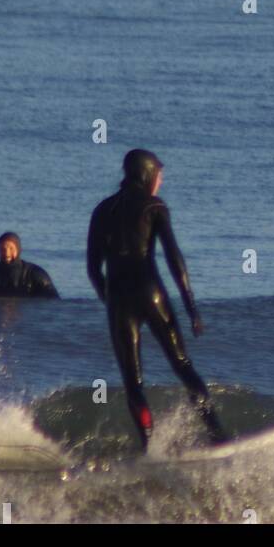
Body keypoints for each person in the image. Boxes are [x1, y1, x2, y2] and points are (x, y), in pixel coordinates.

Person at [86, 149, 227, 450]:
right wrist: (191, 306)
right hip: (150, 293)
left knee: (133, 383)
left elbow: (92, 267)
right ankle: (216, 435)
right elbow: (174, 258)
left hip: (119, 299)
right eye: (159, 175)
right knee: (183, 365)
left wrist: (108, 298)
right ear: (147, 173)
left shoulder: (102, 210)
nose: (161, 181)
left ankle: (150, 449)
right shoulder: (154, 206)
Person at [0, 232, 60, 298]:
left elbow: (53, 300)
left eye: (11, 248)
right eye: (2, 249)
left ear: (18, 249)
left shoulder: (35, 274)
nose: (7, 253)